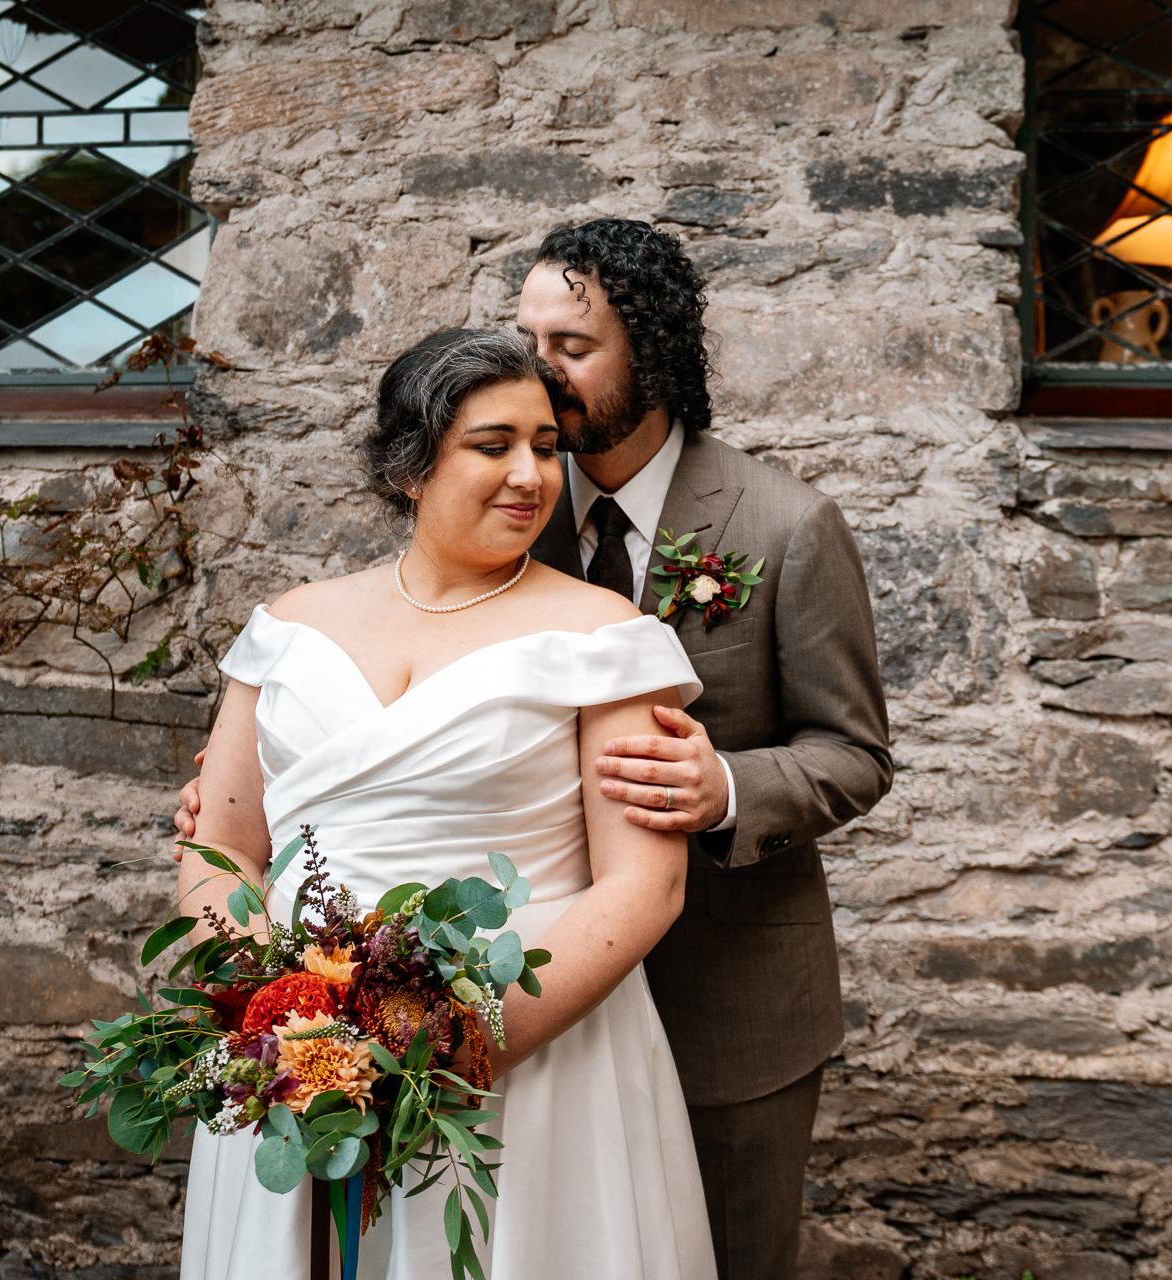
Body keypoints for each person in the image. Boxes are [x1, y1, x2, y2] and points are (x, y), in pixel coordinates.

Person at [180, 220, 894, 1280]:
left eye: (570, 347)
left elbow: (855, 749)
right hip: (365, 1007)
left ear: (651, 355)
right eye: (525, 338)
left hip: (715, 986)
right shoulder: (510, 506)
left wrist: (727, 785)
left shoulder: (784, 524)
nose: (539, 376)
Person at [177, 327, 717, 1280]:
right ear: (411, 465)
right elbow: (221, 849)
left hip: (534, 1055)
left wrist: (462, 1041)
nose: (531, 474)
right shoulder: (289, 630)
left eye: (547, 447)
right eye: (493, 444)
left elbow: (645, 888)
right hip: (305, 1063)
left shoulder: (602, 636)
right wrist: (289, 1023)